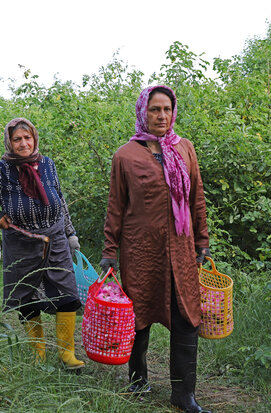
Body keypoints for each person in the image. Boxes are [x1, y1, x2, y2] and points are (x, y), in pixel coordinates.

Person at [100, 85, 211, 413]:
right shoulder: (125, 155)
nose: (161, 116)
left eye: (166, 109)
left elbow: (197, 199)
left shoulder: (185, 149)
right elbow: (116, 207)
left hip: (181, 250)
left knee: (187, 317)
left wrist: (202, 242)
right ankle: (137, 379)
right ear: (142, 113)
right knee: (139, 316)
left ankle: (184, 395)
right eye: (154, 110)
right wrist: (109, 251)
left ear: (173, 112)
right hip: (140, 250)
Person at [0, 117, 83, 369]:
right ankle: (38, 354)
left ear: (34, 138)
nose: (23, 143)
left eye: (27, 138)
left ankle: (66, 353)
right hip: (20, 242)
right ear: (9, 142)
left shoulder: (47, 164)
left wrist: (71, 234)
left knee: (68, 295)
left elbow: (59, 200)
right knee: (26, 298)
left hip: (55, 238)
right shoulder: (2, 170)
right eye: (17, 139)